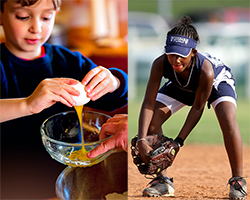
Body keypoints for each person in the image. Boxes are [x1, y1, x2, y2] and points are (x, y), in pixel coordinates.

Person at [0, 0, 127, 199]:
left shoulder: (71, 62)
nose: (36, 28)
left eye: (46, 17)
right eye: (23, 17)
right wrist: (27, 104)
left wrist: (115, 81)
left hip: (70, 181)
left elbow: (113, 100)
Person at [137, 16, 247, 199]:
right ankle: (163, 182)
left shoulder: (206, 70)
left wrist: (178, 142)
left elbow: (197, 108)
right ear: (165, 50)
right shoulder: (161, 63)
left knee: (227, 118)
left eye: (182, 54)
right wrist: (141, 139)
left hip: (215, 82)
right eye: (172, 53)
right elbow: (148, 103)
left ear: (194, 51)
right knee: (153, 118)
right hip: (181, 84)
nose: (176, 59)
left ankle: (238, 180)